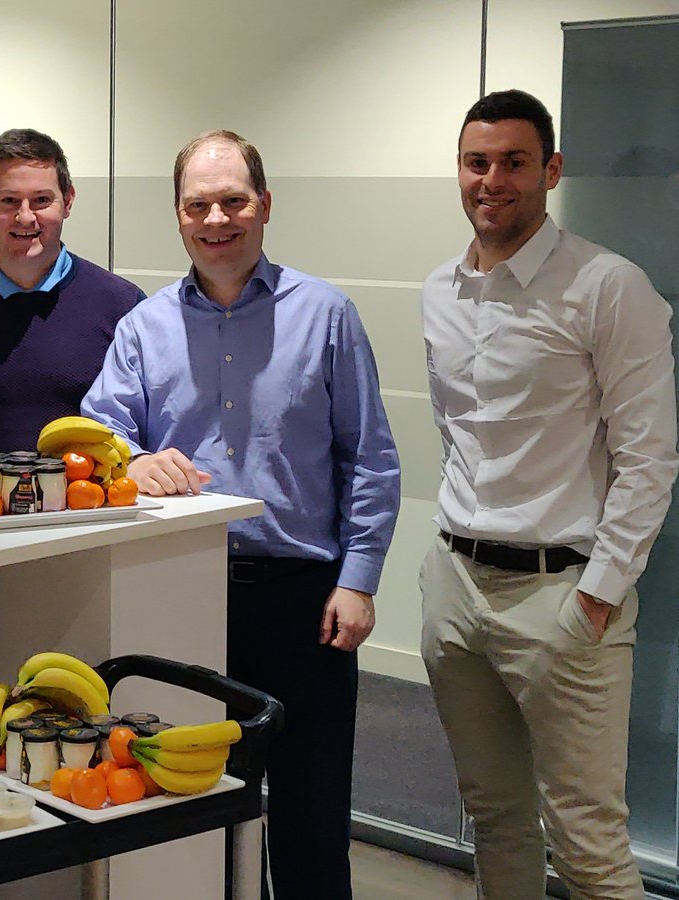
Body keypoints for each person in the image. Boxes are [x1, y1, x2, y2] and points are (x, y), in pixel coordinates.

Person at [82, 130, 400, 898]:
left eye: (233, 201)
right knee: (194, 805)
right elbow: (96, 439)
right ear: (179, 214)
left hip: (305, 600)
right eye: (199, 204)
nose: (216, 219)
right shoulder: (143, 327)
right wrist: (130, 458)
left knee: (311, 811)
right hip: (180, 590)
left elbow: (371, 459)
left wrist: (357, 581)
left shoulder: (326, 315)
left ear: (264, 205)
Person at [420, 89, 679, 900]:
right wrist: (439, 576)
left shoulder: (609, 287)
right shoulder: (441, 290)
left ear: (551, 171)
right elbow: (458, 435)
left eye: (514, 162)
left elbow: (650, 457)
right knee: (494, 819)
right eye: (477, 162)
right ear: (459, 172)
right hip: (457, 592)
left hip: (562, 600)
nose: (492, 179)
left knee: (589, 845)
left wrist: (599, 596)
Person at [0, 128, 144, 452]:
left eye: (41, 200)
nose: (25, 217)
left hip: (99, 501)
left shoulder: (124, 308)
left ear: (68, 201)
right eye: (9, 201)